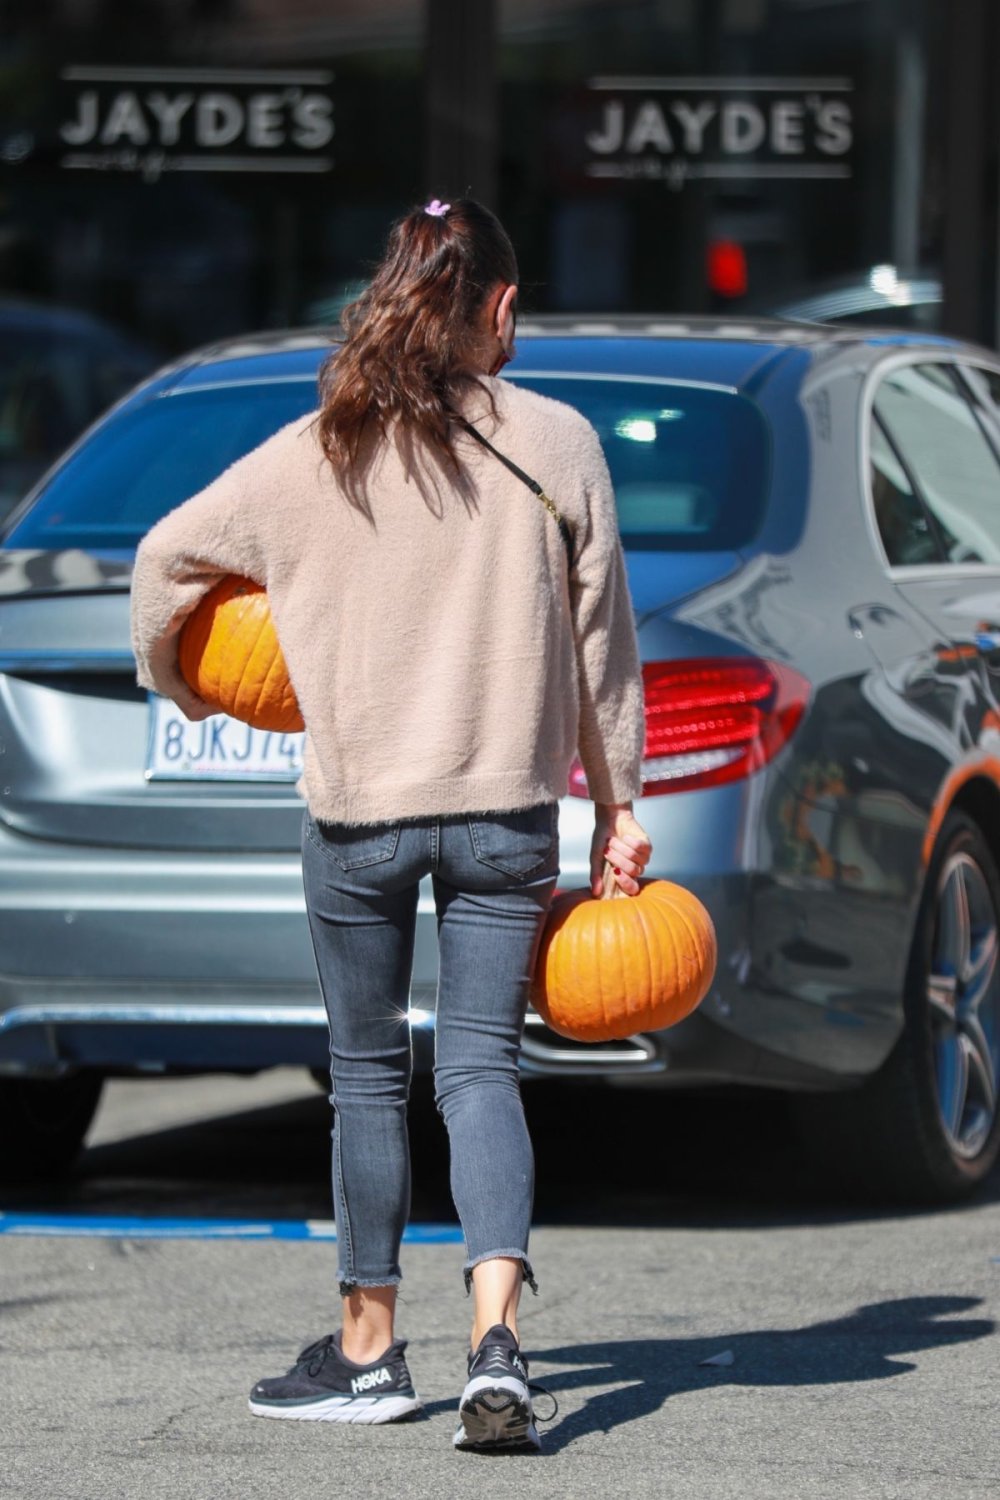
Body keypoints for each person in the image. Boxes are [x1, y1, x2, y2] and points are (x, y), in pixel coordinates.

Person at [130, 196, 651, 1452]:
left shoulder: (318, 450)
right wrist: (618, 811)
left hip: (359, 818)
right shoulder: (560, 442)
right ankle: (498, 1348)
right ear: (502, 307)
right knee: (479, 1071)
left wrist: (199, 681)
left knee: (366, 1077)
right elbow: (603, 653)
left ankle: (367, 1354)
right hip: (502, 817)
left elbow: (162, 563)